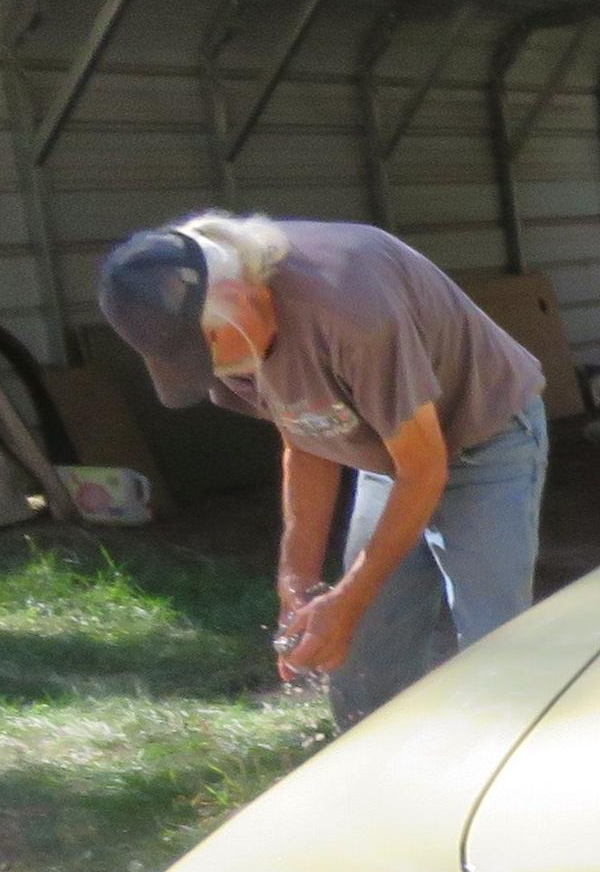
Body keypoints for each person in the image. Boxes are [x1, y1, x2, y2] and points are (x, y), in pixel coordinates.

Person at [95, 214, 550, 723]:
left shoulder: (352, 313)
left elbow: (423, 469)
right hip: (384, 447)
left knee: (494, 637)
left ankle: (505, 771)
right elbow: (306, 438)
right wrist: (299, 581)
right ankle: (372, 774)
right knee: (368, 643)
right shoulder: (228, 334)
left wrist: (347, 599)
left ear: (241, 297)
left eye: (208, 350)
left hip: (483, 435)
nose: (212, 371)